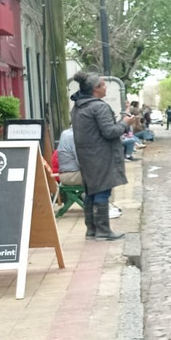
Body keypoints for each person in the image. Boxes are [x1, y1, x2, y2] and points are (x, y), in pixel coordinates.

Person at [70, 71, 134, 240]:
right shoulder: (99, 107)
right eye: (103, 85)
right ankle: (103, 230)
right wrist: (125, 123)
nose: (106, 88)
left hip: (86, 155)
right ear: (95, 89)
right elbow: (110, 132)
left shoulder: (78, 107)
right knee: (102, 192)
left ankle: (91, 230)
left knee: (91, 191)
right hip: (101, 155)